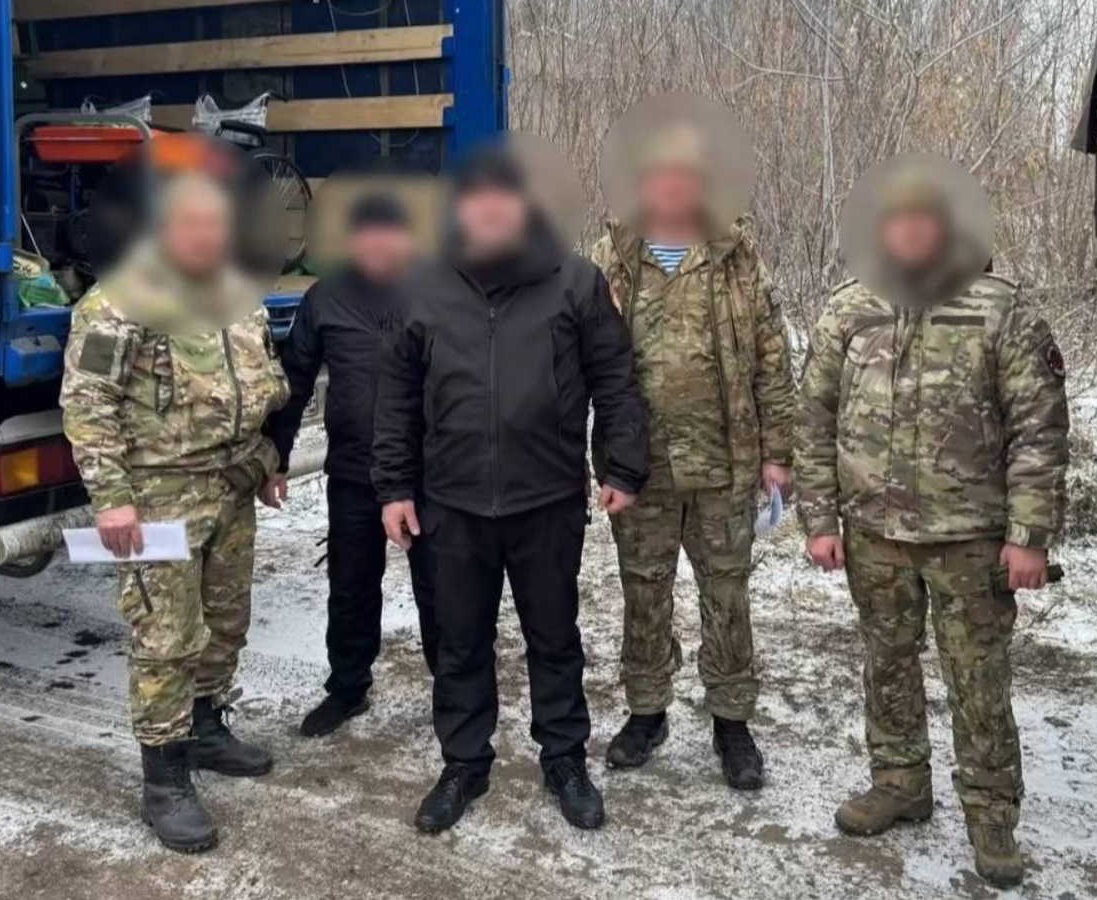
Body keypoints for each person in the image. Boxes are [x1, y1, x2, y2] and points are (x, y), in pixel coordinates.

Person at [796, 160, 1069, 887]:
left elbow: (1039, 430)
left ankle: (991, 814)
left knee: (978, 678)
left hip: (970, 539)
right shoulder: (850, 307)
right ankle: (899, 782)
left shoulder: (1000, 308)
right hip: (874, 534)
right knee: (886, 664)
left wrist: (1029, 536)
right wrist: (820, 519)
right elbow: (814, 419)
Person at [373, 146, 649, 833]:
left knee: (553, 638)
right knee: (459, 641)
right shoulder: (424, 286)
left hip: (546, 499)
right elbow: (396, 396)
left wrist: (622, 467)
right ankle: (464, 763)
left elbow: (615, 379)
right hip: (452, 503)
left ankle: (565, 760)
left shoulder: (575, 282)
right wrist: (395, 487)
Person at [61, 172, 291, 853]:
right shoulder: (116, 304)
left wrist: (267, 463)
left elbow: (258, 385)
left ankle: (206, 727)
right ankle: (163, 778)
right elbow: (88, 405)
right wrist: (112, 501)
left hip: (232, 487)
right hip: (158, 496)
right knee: (166, 637)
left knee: (225, 621)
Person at [589, 123, 797, 790]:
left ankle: (732, 722)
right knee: (643, 592)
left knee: (726, 595)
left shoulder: (736, 255)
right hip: (639, 469)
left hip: (724, 465)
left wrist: (777, 453)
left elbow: (771, 358)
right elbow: (583, 357)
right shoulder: (614, 255)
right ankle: (646, 711)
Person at [264, 193, 438, 738]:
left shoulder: (438, 294)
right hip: (355, 471)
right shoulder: (326, 299)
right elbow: (293, 381)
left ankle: (454, 691)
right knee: (351, 585)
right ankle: (347, 687)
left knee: (441, 589)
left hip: (428, 474)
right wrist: (276, 458)